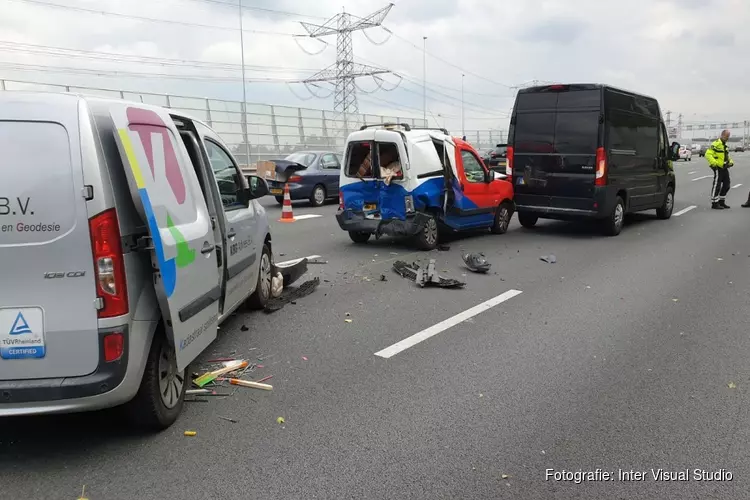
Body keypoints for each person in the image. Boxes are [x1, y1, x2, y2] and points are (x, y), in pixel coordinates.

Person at [705, 129, 734, 209]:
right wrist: (714, 163)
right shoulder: (716, 144)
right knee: (717, 185)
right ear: (722, 135)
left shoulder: (725, 145)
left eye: (728, 136)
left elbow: (726, 157)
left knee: (727, 185)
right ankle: (714, 203)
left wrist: (731, 162)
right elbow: (708, 154)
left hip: (725, 167)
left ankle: (721, 201)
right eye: (726, 136)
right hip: (718, 168)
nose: (727, 138)